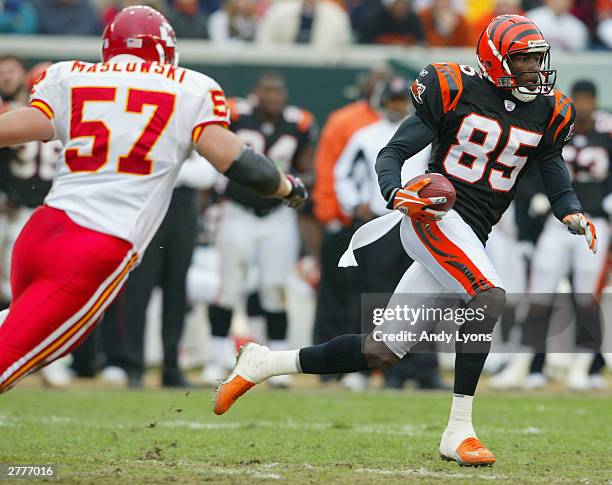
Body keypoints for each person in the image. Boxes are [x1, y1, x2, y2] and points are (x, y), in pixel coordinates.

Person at [214, 14, 598, 466]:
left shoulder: (550, 109)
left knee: (381, 350)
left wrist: (569, 207)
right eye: (524, 60)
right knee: (489, 296)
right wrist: (395, 190)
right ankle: (460, 431)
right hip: (435, 215)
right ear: (497, 61)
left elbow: (551, 162)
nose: (535, 69)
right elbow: (393, 151)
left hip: (473, 231)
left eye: (538, 59)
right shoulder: (455, 88)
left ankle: (266, 362)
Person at [0, 5, 307, 393]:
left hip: (41, 231)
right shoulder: (189, 87)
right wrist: (287, 187)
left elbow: (16, 127)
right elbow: (239, 163)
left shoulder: (70, 76)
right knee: (13, 357)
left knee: (19, 333)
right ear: (165, 48)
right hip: (95, 245)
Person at [202, 72, 317, 387]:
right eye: (266, 90)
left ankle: (276, 363)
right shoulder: (235, 114)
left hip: (277, 215)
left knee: (275, 289)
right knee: (227, 288)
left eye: (278, 91)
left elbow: (308, 170)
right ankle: (216, 358)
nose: (273, 97)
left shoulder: (299, 122)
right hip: (237, 212)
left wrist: (295, 183)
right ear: (255, 93)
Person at [498, 80, 611, 391]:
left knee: (587, 297)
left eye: (589, 99)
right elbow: (533, 167)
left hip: (595, 223)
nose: (584, 105)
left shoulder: (606, 128)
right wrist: (538, 197)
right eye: (580, 99)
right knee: (539, 295)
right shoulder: (559, 126)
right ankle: (523, 364)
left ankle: (582, 367)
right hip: (557, 220)